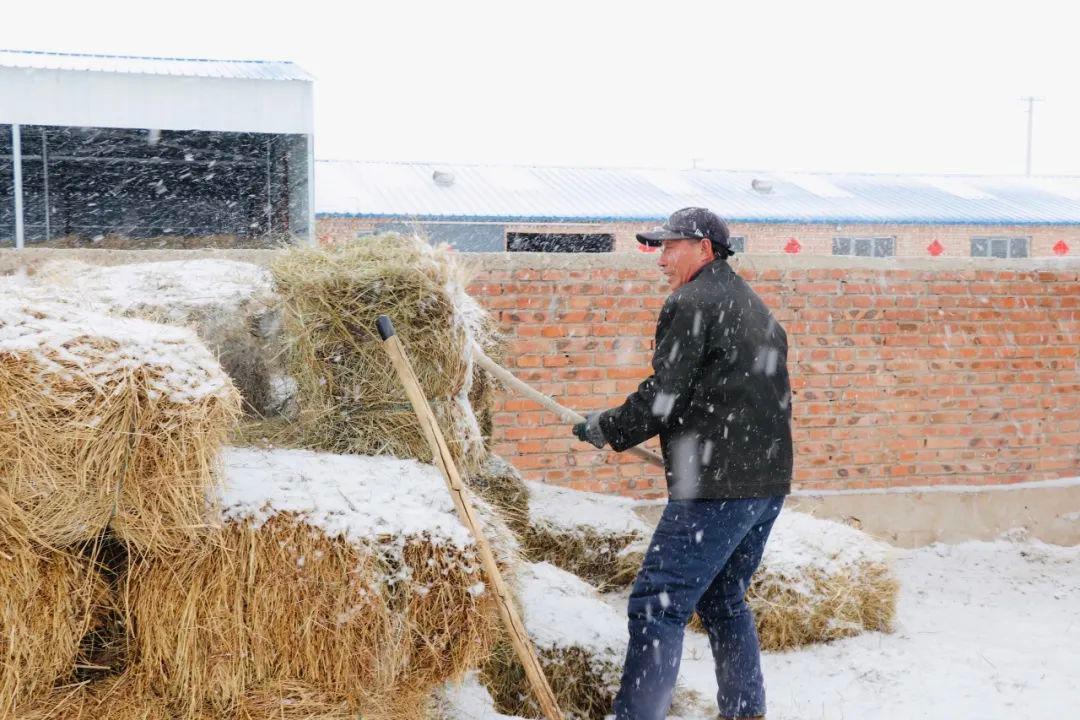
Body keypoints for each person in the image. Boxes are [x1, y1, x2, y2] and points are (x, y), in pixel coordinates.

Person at [572, 207, 793, 720]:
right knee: (723, 599)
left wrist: (608, 427)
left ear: (705, 249)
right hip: (764, 483)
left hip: (716, 488)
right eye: (659, 248)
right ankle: (746, 711)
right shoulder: (756, 308)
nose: (661, 259)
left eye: (671, 247)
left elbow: (664, 396)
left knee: (657, 603)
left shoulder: (692, 301)